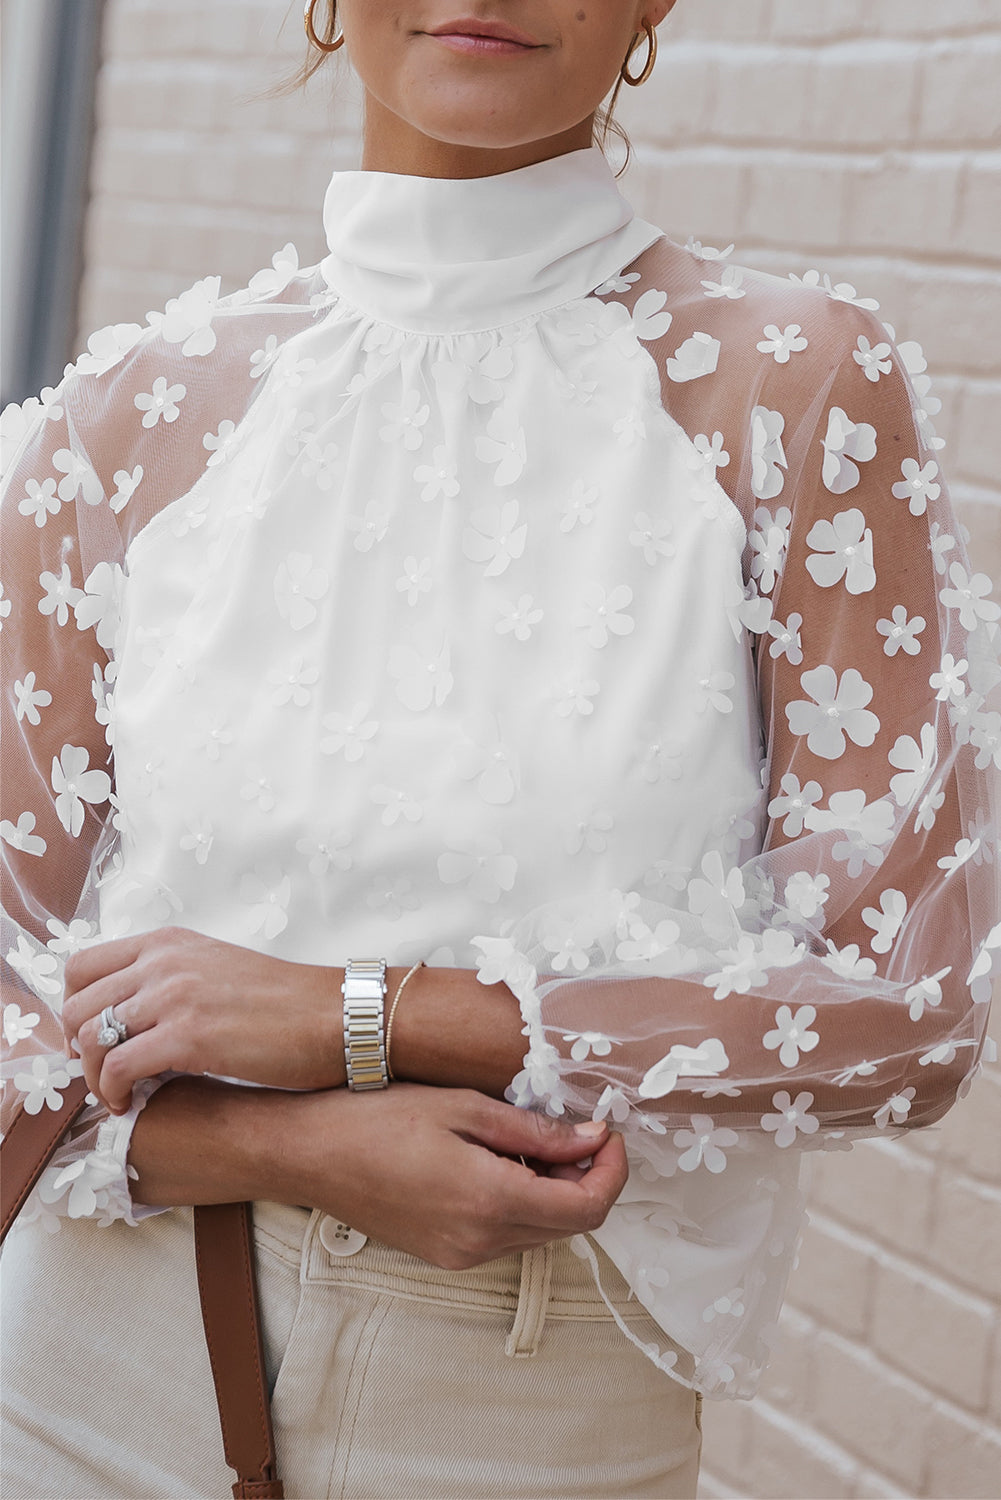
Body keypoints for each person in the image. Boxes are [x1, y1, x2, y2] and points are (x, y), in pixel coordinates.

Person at [1, 2, 998, 1497]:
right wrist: (280, 1148)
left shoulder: (792, 386)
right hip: (90, 1366)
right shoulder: (126, 418)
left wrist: (367, 1015)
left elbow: (903, 1012)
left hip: (521, 1412)